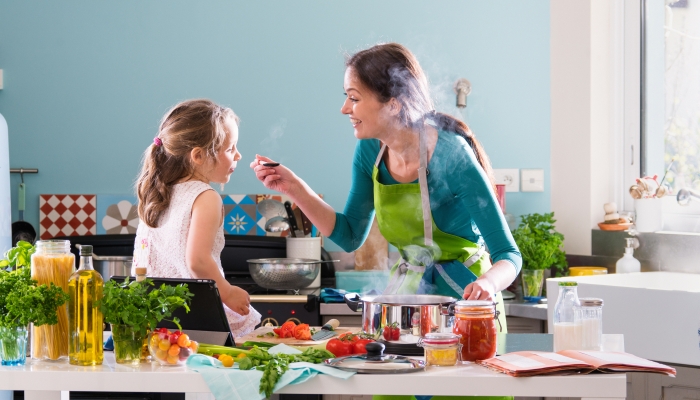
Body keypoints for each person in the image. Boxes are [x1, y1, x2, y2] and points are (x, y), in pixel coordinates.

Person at [251, 43, 519, 400]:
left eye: (354, 98)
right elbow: (348, 236)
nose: (345, 108)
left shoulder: (452, 154)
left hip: (466, 307)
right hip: (406, 308)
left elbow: (508, 255)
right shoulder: (370, 151)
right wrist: (293, 188)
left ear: (393, 102)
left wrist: (487, 284)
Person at [133, 99, 260, 337]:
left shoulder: (159, 191)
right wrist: (228, 291)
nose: (239, 156)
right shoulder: (206, 197)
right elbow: (198, 262)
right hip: (197, 317)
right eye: (231, 149)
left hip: (154, 317)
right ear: (199, 156)